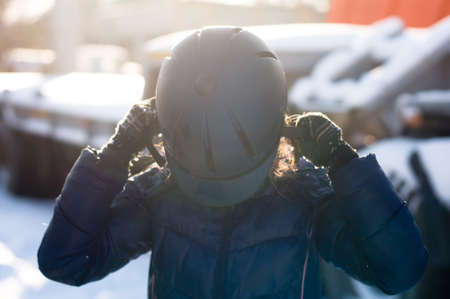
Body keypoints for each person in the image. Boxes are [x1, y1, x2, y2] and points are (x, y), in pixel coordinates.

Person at [37, 27, 427, 299]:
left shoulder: (302, 194)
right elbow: (66, 261)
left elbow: (398, 270)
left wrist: (344, 164)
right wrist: (114, 155)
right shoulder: (159, 194)